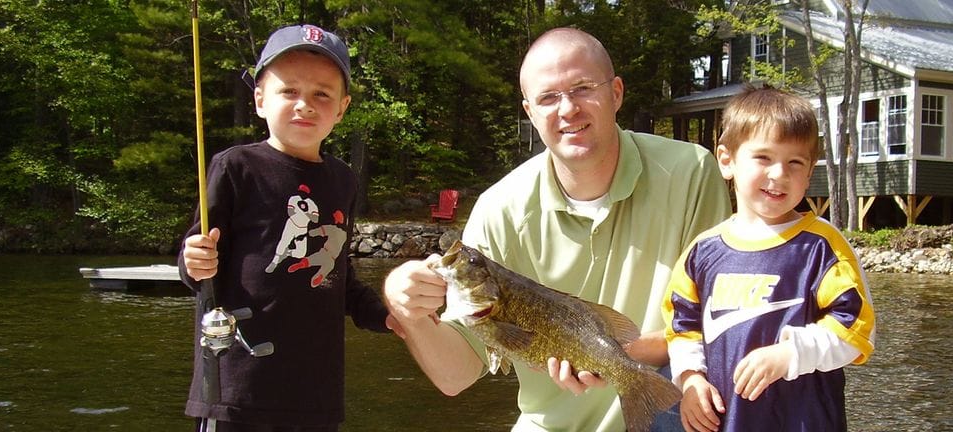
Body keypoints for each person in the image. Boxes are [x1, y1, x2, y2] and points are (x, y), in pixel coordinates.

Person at [381, 27, 731, 431]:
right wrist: (410, 312)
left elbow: (719, 319)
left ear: (616, 93)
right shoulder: (500, 209)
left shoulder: (690, 172)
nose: (568, 109)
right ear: (530, 112)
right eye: (548, 97)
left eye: (583, 88)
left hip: (668, 414)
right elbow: (455, 376)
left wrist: (610, 354)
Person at [178, 24, 392, 432]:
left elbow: (337, 277)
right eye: (288, 91)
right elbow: (194, 265)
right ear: (260, 100)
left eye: (321, 94)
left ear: (342, 108)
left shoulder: (343, 179)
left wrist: (386, 316)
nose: (305, 105)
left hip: (316, 396)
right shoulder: (235, 166)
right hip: (237, 392)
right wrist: (194, 261)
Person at [662, 86, 876, 432]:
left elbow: (856, 330)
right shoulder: (702, 252)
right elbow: (682, 329)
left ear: (809, 173)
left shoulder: (821, 247)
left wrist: (790, 355)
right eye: (763, 158)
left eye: (795, 162)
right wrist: (690, 380)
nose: (779, 174)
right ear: (726, 160)